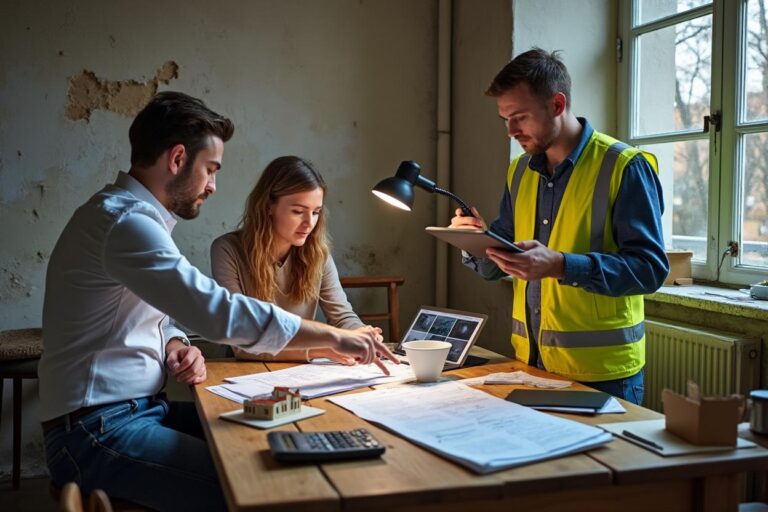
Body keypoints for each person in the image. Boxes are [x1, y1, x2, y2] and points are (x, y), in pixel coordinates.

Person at [38, 91, 397, 512]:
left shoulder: (129, 217)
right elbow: (217, 310)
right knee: (253, 482)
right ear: (176, 159)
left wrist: (174, 345)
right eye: (210, 169)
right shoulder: (126, 222)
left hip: (135, 411)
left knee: (273, 440)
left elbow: (158, 315)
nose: (212, 185)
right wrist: (333, 339)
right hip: (96, 431)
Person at [450, 48, 668, 405]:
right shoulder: (519, 171)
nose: (510, 131)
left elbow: (650, 270)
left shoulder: (624, 166)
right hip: (531, 366)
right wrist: (473, 241)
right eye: (505, 119)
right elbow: (498, 266)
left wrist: (562, 265)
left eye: (519, 117)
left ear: (556, 104)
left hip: (604, 377)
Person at [211, 155, 374, 363]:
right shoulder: (227, 250)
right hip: (246, 371)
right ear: (268, 206)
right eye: (298, 211)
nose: (309, 223)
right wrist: (319, 350)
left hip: (300, 373)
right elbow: (241, 344)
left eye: (316, 212)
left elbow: (342, 316)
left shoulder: (317, 252)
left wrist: (363, 334)